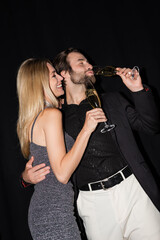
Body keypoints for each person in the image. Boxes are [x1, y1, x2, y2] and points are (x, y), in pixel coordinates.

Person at [22, 48, 160, 240]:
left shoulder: (112, 101)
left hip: (132, 192)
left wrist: (138, 90)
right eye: (82, 62)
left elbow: (151, 126)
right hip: (93, 205)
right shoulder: (55, 116)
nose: (90, 66)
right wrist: (25, 178)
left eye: (88, 62)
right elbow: (44, 159)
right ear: (65, 73)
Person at [16, 58, 106, 240]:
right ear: (39, 83)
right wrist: (87, 129)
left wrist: (25, 178)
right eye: (53, 75)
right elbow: (63, 174)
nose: (60, 79)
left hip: (50, 210)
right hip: (54, 213)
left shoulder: (36, 117)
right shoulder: (51, 115)